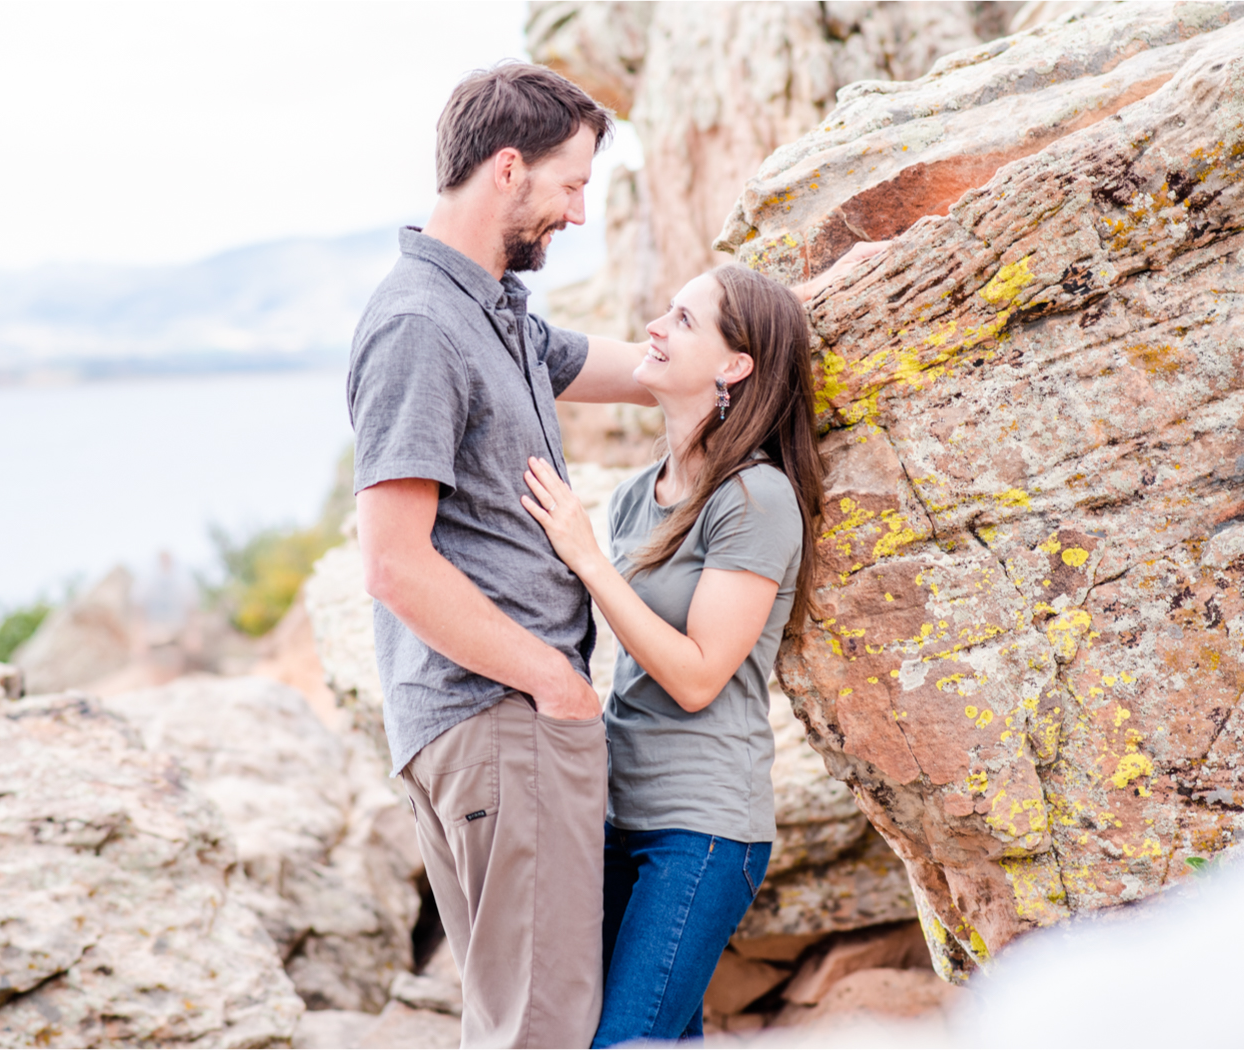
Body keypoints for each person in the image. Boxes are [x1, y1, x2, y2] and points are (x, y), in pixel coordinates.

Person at [348, 63, 656, 1049]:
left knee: (526, 1013)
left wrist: (753, 347)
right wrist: (555, 689)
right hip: (500, 716)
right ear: (509, 170)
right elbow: (393, 563)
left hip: (504, 720)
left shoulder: (493, 310)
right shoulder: (419, 327)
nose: (578, 212)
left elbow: (618, 369)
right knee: (541, 1026)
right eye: (572, 185)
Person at [519, 261, 863, 1046]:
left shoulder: (757, 497)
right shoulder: (640, 496)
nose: (654, 327)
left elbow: (699, 674)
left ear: (735, 366)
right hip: (615, 810)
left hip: (702, 829)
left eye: (682, 319)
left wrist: (586, 556)